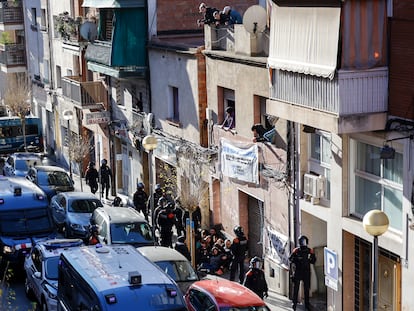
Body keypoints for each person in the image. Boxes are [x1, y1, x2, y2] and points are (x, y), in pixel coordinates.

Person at [289, 235, 316, 311]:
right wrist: (296, 259)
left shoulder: (309, 251)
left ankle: (307, 305)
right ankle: (294, 304)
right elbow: (290, 259)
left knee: (306, 289)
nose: (303, 243)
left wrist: (310, 258)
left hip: (306, 272)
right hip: (298, 271)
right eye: (302, 242)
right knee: (296, 289)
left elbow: (313, 261)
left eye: (304, 242)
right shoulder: (296, 250)